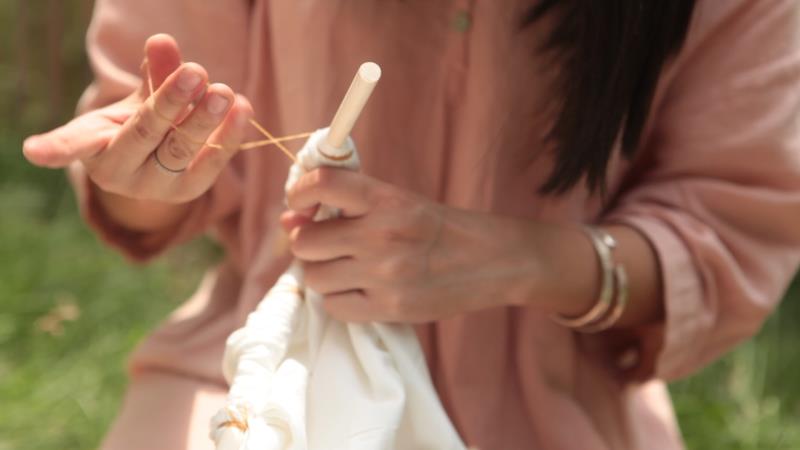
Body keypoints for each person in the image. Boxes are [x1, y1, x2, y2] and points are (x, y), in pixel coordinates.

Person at [22, 1, 800, 449]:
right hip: (257, 377)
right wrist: (147, 171)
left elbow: (727, 230)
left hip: (557, 414)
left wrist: (523, 260)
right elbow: (153, 186)